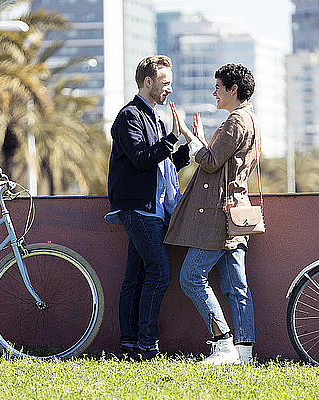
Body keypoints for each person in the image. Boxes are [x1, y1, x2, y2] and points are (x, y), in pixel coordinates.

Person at [164, 63, 260, 365]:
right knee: (236, 284)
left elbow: (209, 162)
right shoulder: (251, 119)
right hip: (236, 211)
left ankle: (223, 343)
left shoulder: (235, 121)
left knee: (191, 277)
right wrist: (202, 140)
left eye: (218, 87)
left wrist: (189, 137)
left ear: (233, 89)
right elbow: (221, 161)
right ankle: (244, 351)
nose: (214, 92)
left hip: (218, 214)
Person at [106, 55, 190, 360]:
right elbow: (142, 158)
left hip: (153, 208)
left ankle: (130, 343)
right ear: (148, 82)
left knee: (136, 276)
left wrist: (184, 150)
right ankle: (147, 343)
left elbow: (161, 166)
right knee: (160, 271)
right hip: (139, 210)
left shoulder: (154, 117)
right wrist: (170, 139)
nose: (169, 89)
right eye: (165, 83)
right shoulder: (129, 116)